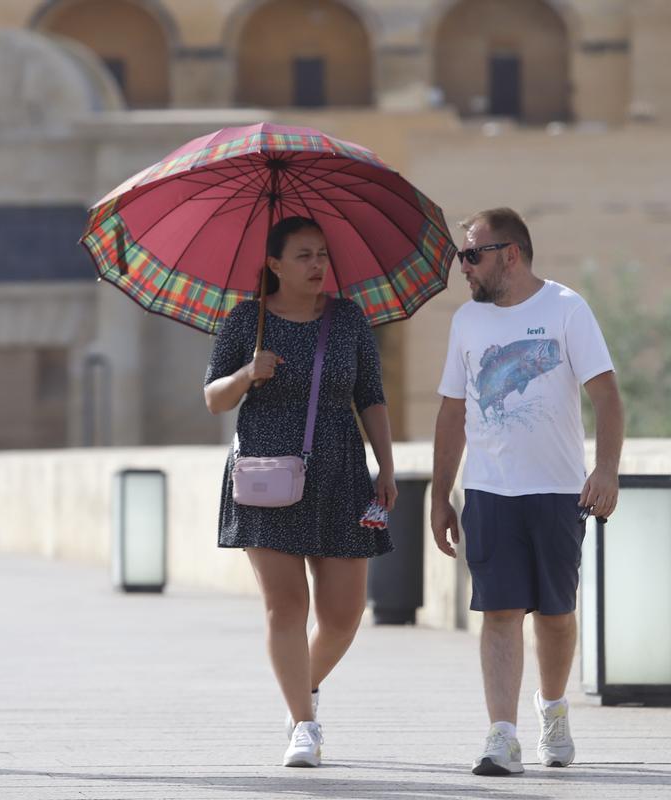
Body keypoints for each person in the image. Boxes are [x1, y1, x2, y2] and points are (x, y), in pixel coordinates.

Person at [430, 208, 624, 776]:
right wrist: (442, 494)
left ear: (509, 254)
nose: (462, 266)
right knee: (499, 611)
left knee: (557, 614)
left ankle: (554, 708)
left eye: (472, 255)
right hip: (490, 490)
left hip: (559, 489)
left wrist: (606, 470)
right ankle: (502, 735)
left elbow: (607, 396)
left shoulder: (567, 309)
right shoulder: (466, 321)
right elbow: (452, 410)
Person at [203, 216, 398, 768]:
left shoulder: (350, 321)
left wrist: (387, 465)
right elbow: (214, 398)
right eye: (304, 256)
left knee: (342, 615)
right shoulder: (248, 320)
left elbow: (372, 397)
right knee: (285, 606)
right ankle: (304, 726)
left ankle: (299, 690)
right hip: (267, 476)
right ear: (275, 265)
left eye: (322, 255)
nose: (317, 265)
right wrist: (247, 373)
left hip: (340, 473)